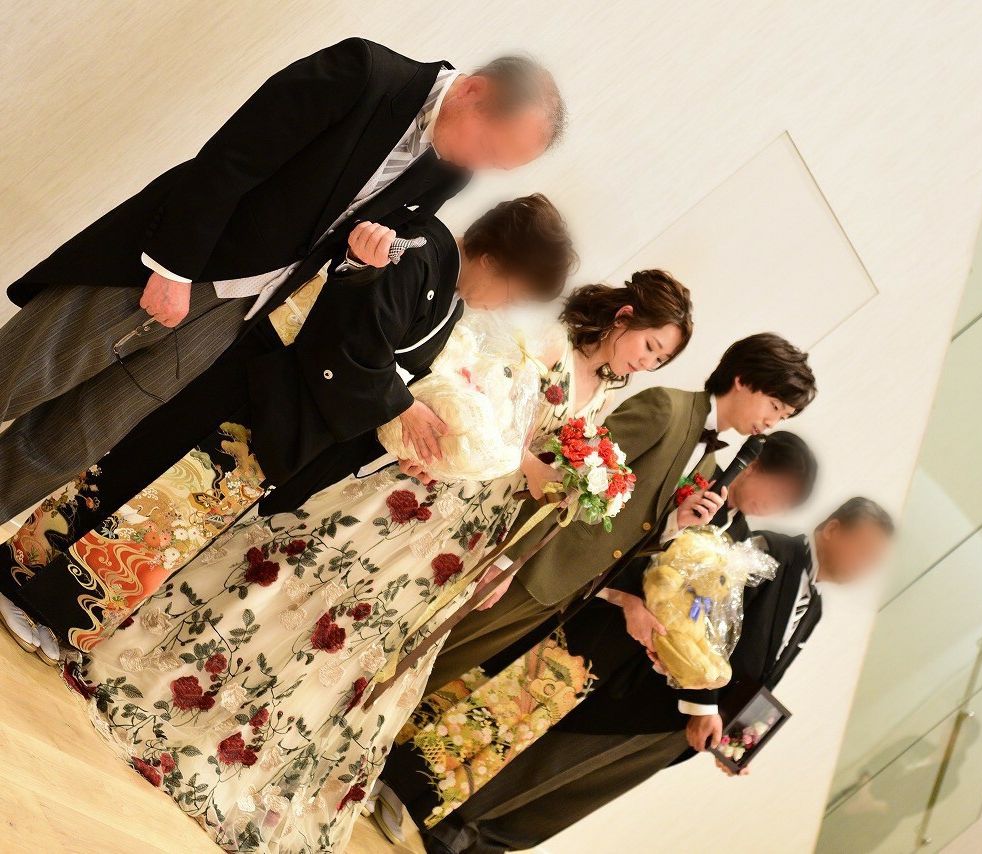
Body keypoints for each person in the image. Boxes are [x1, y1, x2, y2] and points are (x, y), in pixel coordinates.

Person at [57, 271, 695, 852]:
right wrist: (524, 463)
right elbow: (480, 406)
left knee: (372, 641)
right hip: (439, 498)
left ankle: (260, 747)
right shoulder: (547, 345)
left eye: (660, 360)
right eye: (650, 346)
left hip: (480, 534)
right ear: (623, 317)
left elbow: (549, 467)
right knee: (318, 584)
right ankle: (190, 688)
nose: (648, 363)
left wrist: (523, 540)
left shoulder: (604, 395)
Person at [0, 39, 565, 521]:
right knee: (20, 374)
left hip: (236, 316)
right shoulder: (365, 73)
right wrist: (173, 269)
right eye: (489, 148)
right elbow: (230, 160)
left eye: (498, 165)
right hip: (171, 265)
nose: (479, 166)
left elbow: (343, 255)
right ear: (473, 91)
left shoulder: (449, 172)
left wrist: (362, 263)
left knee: (79, 437)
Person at [0, 194, 573, 659]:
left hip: (287, 416)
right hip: (257, 394)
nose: (504, 306)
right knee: (143, 487)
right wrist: (400, 408)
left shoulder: (447, 298)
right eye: (514, 292)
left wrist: (411, 431)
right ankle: (27, 586)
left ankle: (55, 605)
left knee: (172, 519)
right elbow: (346, 339)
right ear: (495, 261)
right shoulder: (417, 251)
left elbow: (392, 366)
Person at [377, 431, 820, 841]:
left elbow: (701, 613)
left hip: (620, 648)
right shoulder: (700, 481)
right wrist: (628, 600)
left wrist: (674, 652)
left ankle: (417, 796)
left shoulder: (739, 538)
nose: (774, 507)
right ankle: (390, 769)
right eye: (778, 493)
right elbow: (631, 533)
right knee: (491, 691)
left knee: (520, 722)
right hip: (595, 609)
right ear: (753, 468)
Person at [417, 497, 895, 853]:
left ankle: (486, 843)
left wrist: (737, 739)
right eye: (866, 550)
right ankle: (455, 823)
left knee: (580, 793)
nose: (866, 566)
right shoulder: (771, 552)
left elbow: (758, 675)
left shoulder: (814, 609)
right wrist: (702, 703)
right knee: (557, 765)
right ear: (834, 529)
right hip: (658, 697)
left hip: (685, 731)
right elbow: (701, 615)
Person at [406, 332, 819, 700]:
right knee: (421, 654)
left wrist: (678, 525)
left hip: (564, 594)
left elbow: (636, 531)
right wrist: (507, 560)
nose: (772, 422)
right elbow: (571, 477)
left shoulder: (711, 465)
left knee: (437, 675)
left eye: (783, 417)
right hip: (531, 565)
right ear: (743, 380)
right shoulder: (666, 407)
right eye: (774, 406)